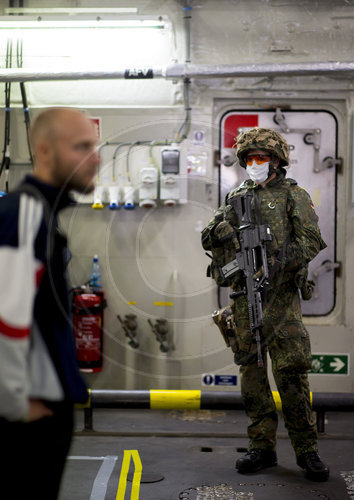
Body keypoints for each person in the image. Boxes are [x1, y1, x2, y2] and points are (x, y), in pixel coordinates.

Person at [202, 127, 329, 481]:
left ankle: (307, 451)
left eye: (263, 157)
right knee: (253, 378)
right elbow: (206, 237)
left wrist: (278, 260)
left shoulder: (292, 195)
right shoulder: (235, 196)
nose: (256, 164)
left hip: (282, 302)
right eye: (251, 158)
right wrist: (224, 231)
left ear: (276, 161)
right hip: (245, 301)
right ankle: (261, 448)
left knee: (291, 376)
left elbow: (312, 241)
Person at [0, 108, 100, 499]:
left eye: (94, 146)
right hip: (27, 418)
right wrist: (17, 404)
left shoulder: (42, 214)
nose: (95, 157)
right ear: (44, 151)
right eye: (81, 147)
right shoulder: (24, 213)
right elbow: (5, 316)